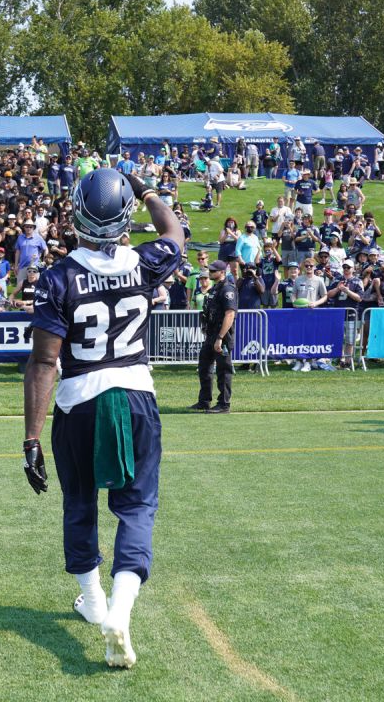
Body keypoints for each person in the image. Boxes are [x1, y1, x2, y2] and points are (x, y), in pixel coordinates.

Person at [22, 168, 185, 670]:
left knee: (79, 502)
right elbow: (174, 232)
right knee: (136, 508)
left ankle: (93, 601)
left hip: (80, 399)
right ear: (124, 218)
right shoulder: (144, 262)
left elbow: (46, 361)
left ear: (76, 216)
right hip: (136, 394)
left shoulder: (59, 277)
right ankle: (120, 608)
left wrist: (31, 436)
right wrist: (147, 189)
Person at [191, 260, 236, 413]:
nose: (210, 273)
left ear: (222, 272)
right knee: (204, 367)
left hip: (221, 336)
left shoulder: (227, 289)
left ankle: (224, 404)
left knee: (223, 370)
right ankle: (204, 401)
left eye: (213, 270)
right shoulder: (214, 289)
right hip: (210, 334)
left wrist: (220, 337)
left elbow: (229, 314)